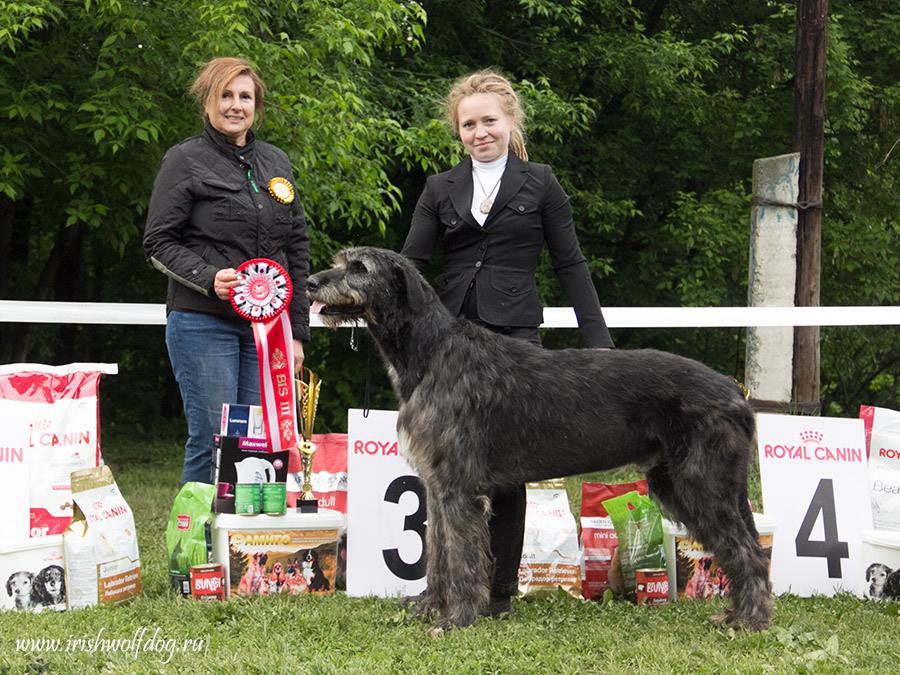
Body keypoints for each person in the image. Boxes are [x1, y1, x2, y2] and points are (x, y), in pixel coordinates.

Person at [401, 69, 614, 615]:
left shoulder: (540, 182)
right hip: (446, 343)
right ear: (459, 131)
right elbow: (409, 267)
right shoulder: (438, 188)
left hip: (514, 337)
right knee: (446, 469)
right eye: (468, 124)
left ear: (510, 121)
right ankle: (442, 588)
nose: (479, 132)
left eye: (489, 121)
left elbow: (571, 263)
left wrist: (598, 342)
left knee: (508, 467)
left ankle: (498, 592)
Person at [144, 57, 310, 484]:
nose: (236, 105)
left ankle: (250, 550)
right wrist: (207, 278)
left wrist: (296, 333)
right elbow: (158, 243)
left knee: (260, 442)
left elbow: (296, 246)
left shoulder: (277, 162)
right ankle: (198, 548)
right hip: (202, 323)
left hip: (269, 332)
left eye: (245, 96)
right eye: (226, 95)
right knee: (213, 441)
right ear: (207, 102)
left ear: (256, 105)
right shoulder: (184, 160)